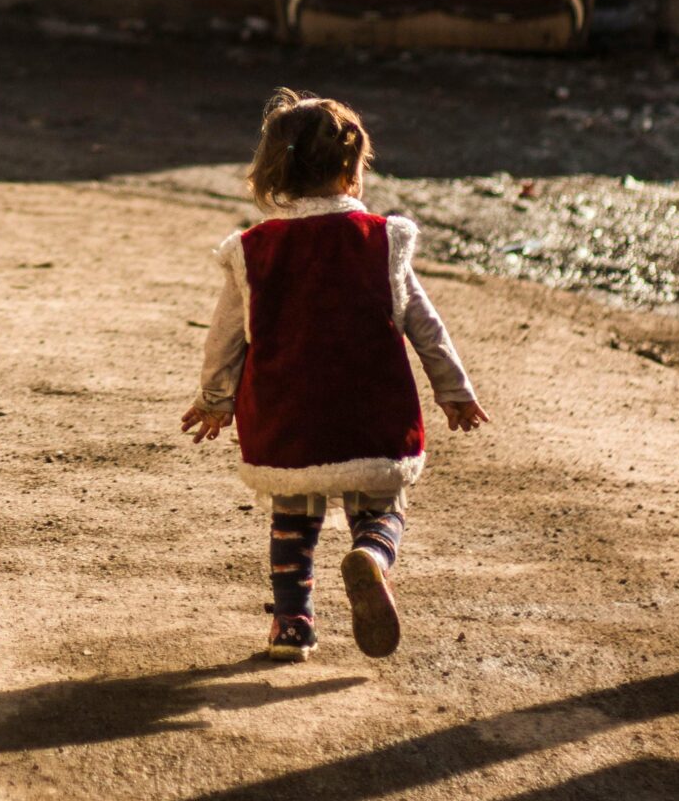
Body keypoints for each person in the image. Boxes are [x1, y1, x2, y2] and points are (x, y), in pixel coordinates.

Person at [180, 88, 487, 661]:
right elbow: (426, 326)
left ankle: (292, 626)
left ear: (273, 172)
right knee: (382, 510)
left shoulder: (255, 249)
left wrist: (215, 399)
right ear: (352, 169)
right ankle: (371, 553)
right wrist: (455, 392)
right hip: (371, 414)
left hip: (289, 416)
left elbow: (227, 334)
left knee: (293, 521)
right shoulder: (382, 241)